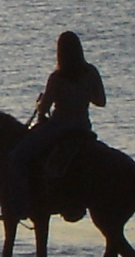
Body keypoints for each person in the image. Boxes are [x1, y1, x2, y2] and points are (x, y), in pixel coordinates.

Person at [10, 30, 105, 203]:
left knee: (19, 154)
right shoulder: (91, 72)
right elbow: (101, 101)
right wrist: (83, 93)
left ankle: (20, 201)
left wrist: (39, 103)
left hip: (59, 126)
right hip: (83, 126)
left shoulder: (57, 77)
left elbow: (44, 107)